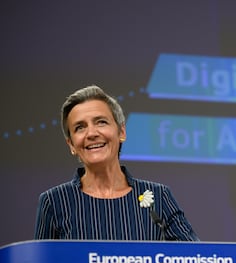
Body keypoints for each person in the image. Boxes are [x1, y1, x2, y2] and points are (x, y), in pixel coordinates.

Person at [34, 85, 199, 241]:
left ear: (121, 132)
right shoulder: (54, 202)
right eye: (80, 127)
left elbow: (197, 261)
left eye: (101, 122)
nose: (91, 133)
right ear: (71, 145)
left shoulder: (158, 197)